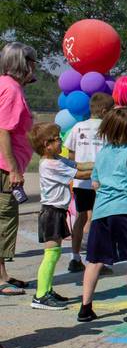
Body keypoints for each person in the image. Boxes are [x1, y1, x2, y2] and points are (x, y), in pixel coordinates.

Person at [78, 107, 127, 323]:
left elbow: (95, 182)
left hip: (101, 211)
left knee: (94, 260)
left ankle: (85, 308)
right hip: (125, 210)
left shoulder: (103, 152)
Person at [27, 122, 94, 309]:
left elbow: (80, 164)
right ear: (46, 145)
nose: (60, 141)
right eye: (57, 139)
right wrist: (101, 171)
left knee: (53, 254)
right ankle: (41, 296)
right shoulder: (50, 164)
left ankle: (46, 290)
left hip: (57, 212)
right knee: (51, 254)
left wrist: (101, 162)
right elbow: (80, 175)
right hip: (51, 213)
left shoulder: (57, 159)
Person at [0, 42, 36, 296]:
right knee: (3, 221)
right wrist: (13, 168)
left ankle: (2, 274)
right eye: (33, 61)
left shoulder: (5, 85)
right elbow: (3, 130)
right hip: (4, 167)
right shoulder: (11, 90)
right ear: (24, 63)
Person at [64, 92, 115, 273]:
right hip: (102, 183)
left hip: (81, 183)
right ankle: (99, 261)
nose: (112, 114)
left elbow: (70, 156)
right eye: (110, 110)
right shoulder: (109, 129)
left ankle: (75, 257)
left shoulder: (77, 127)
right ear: (103, 111)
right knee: (102, 220)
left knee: (81, 217)